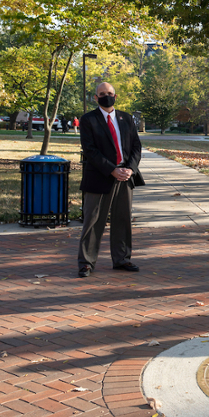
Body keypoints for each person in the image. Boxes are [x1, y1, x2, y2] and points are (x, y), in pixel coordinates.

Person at [77, 82, 145, 278]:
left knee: (122, 219)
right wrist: (112, 170)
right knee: (93, 220)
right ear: (96, 98)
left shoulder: (126, 118)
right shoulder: (88, 120)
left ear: (115, 96)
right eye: (102, 94)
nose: (106, 96)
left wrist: (130, 169)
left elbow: (136, 147)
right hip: (99, 176)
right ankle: (86, 263)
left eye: (110, 93)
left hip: (125, 177)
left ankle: (122, 259)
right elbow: (90, 150)